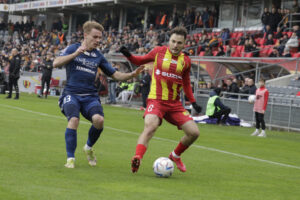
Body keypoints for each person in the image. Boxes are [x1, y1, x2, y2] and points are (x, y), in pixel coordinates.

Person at [53, 21, 144, 168]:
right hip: (72, 94)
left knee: (99, 120)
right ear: (85, 35)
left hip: (90, 96)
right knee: (74, 120)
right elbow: (56, 63)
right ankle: (70, 159)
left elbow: (115, 75)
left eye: (99, 38)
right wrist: (75, 54)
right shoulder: (73, 48)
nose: (98, 40)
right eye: (95, 37)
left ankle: (88, 148)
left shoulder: (98, 56)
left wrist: (131, 74)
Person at [119, 26, 202, 173]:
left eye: (179, 43)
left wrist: (193, 101)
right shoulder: (158, 51)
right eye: (173, 41)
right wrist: (128, 55)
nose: (175, 45)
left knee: (194, 133)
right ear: (169, 41)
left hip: (174, 104)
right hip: (156, 100)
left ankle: (175, 155)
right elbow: (140, 60)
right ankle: (137, 157)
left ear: (184, 44)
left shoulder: (186, 61)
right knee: (150, 126)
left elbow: (186, 83)